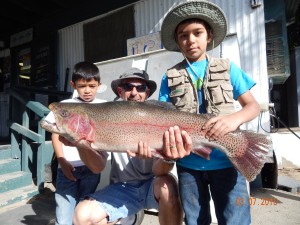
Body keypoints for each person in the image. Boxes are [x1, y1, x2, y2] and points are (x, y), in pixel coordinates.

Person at [158, 1, 261, 225]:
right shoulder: (168, 77)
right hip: (188, 167)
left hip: (228, 163)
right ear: (178, 41)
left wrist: (234, 119)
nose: (191, 40)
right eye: (183, 35)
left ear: (209, 36)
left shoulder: (228, 68)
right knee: (195, 221)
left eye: (197, 33)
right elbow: (161, 117)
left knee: (235, 220)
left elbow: (253, 106)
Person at [73, 68, 192, 225]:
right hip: (122, 188)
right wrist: (81, 144)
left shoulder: (161, 119)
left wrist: (168, 157)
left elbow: (159, 171)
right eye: (129, 87)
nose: (134, 92)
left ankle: (129, 216)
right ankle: (130, 216)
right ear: (120, 91)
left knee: (168, 184)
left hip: (153, 184)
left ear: (147, 93)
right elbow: (97, 167)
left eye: (140, 88)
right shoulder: (106, 118)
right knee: (81, 216)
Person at [44, 61, 108, 225]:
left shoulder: (104, 106)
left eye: (92, 86)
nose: (87, 90)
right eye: (82, 86)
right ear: (73, 85)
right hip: (67, 168)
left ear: (99, 85)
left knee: (83, 213)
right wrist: (62, 161)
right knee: (64, 216)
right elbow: (55, 135)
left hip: (91, 170)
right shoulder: (64, 106)